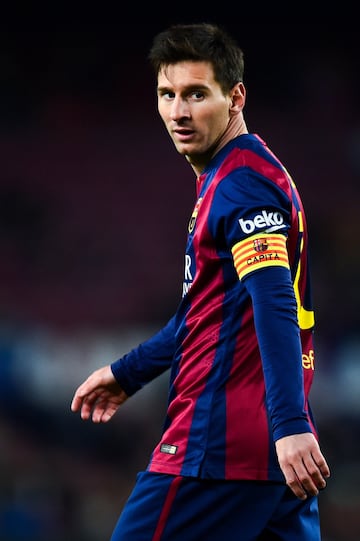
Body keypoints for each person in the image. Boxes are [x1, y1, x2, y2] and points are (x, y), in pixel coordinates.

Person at [71, 22, 331, 541]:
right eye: (167, 94)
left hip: (217, 448)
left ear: (235, 97)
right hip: (267, 456)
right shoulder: (240, 173)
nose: (178, 113)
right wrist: (129, 372)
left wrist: (291, 424)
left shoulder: (241, 187)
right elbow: (212, 311)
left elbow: (272, 301)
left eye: (195, 94)